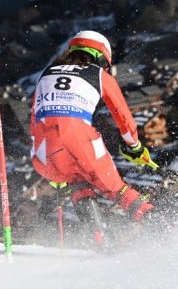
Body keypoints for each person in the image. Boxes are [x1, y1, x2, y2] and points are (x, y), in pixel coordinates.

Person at [30, 30, 157, 223]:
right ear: (98, 57)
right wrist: (134, 147)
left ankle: (98, 239)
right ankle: (162, 226)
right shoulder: (99, 75)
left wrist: (52, 169)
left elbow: (34, 119)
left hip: (43, 152)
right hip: (80, 139)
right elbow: (123, 118)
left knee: (78, 184)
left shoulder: (46, 74)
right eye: (105, 64)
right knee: (117, 190)